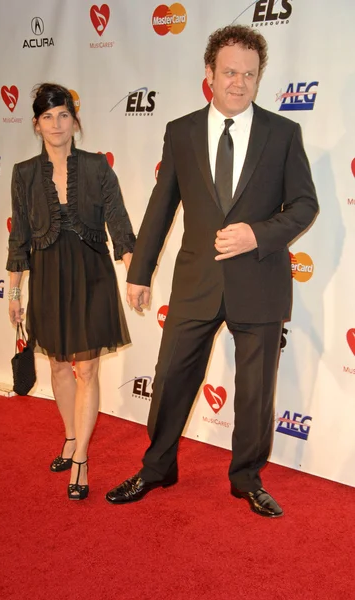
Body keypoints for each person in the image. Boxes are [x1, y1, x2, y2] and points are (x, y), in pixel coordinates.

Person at [106, 25, 318, 517]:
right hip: (196, 280)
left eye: (249, 74)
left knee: (255, 391)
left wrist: (258, 234)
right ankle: (157, 468)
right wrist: (140, 271)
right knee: (170, 378)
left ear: (258, 77)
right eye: (229, 72)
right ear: (209, 74)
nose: (239, 83)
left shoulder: (284, 133)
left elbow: (305, 204)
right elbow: (163, 204)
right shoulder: (180, 131)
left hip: (260, 279)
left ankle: (246, 478)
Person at [7, 83, 135, 500]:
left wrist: (136, 274)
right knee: (59, 367)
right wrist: (13, 293)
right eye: (48, 117)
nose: (56, 124)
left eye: (63, 115)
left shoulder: (97, 167)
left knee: (88, 369)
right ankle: (69, 435)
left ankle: (80, 458)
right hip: (47, 277)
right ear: (36, 124)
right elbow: (20, 236)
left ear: (75, 121)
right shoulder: (24, 174)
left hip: (92, 275)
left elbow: (119, 222)